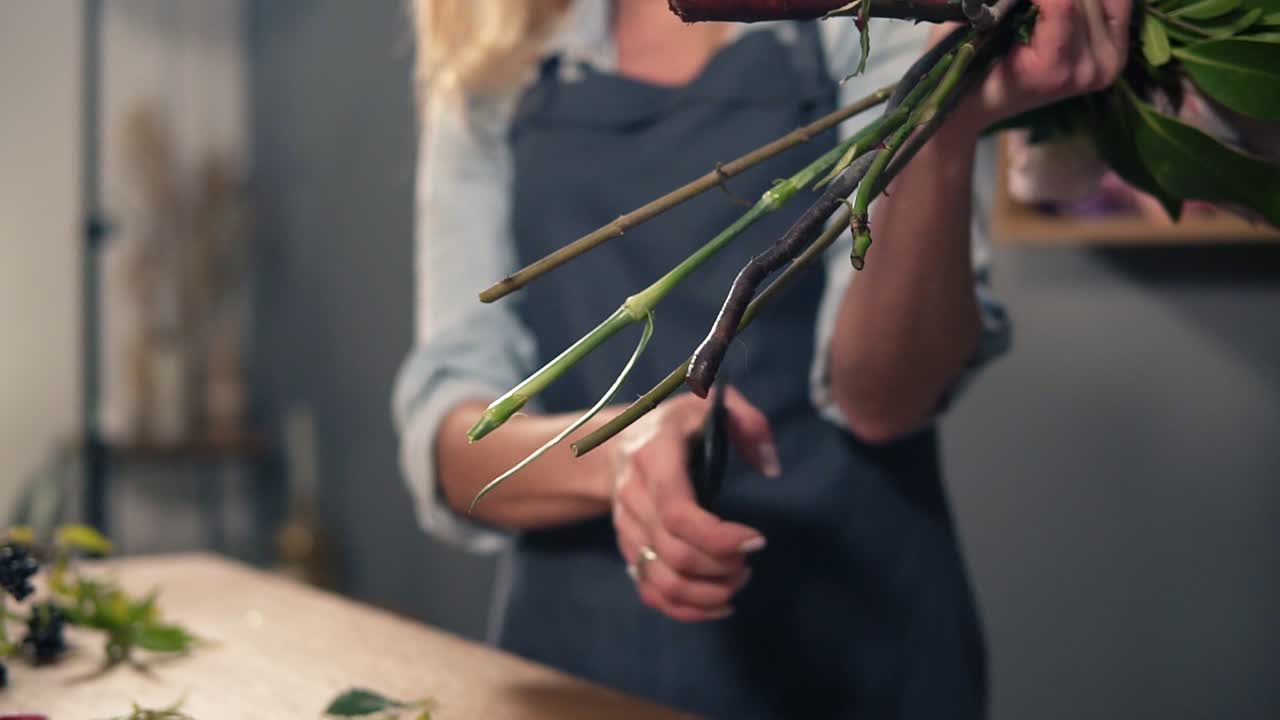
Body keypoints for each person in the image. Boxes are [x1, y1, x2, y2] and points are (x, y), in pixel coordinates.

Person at [394, 1, 1130, 717]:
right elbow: (456, 448)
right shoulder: (497, 52)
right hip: (584, 657)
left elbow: (885, 401)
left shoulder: (883, 18)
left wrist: (942, 127)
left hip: (858, 639)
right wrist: (619, 456)